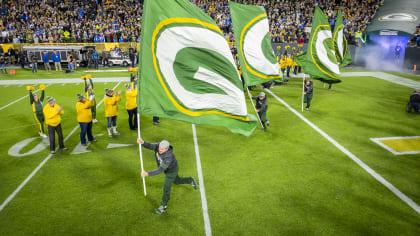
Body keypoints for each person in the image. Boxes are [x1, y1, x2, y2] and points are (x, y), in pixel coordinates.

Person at [137, 138, 198, 214]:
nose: (159, 150)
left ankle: (163, 206)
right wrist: (143, 142)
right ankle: (190, 180)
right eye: (159, 148)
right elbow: (151, 146)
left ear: (167, 149)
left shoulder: (168, 156)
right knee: (177, 181)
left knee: (166, 187)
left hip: (172, 171)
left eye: (162, 149)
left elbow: (160, 170)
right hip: (167, 170)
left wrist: (147, 173)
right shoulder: (159, 146)